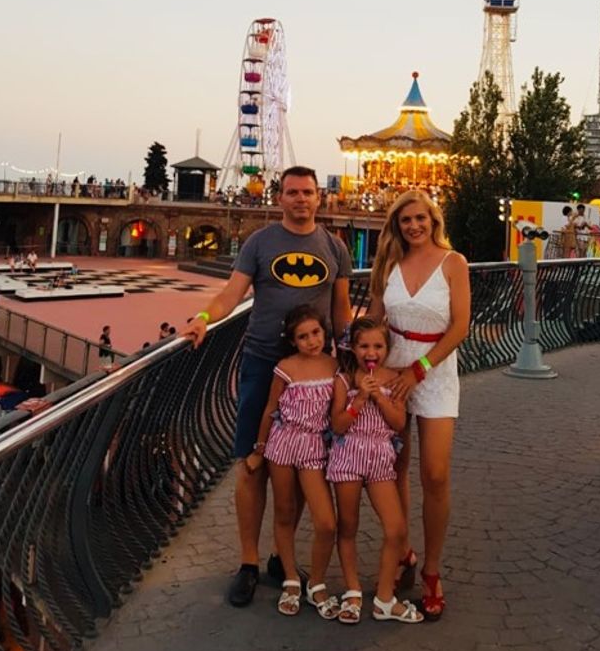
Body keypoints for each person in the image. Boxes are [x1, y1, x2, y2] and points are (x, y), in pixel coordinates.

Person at [181, 165, 352, 608]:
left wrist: (354, 359)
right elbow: (231, 294)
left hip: (313, 372)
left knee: (297, 467)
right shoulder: (260, 243)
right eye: (292, 192)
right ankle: (248, 561)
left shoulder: (334, 247)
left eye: (308, 192)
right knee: (252, 462)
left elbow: (341, 312)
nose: (300, 199)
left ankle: (283, 555)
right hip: (262, 363)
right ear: (280, 198)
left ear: (320, 198)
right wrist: (203, 319)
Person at [368, 190, 470, 621]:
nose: (413, 226)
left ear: (433, 221)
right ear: (397, 225)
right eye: (406, 220)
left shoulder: (454, 263)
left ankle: (432, 567)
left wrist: (420, 370)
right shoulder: (388, 265)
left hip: (434, 372)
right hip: (393, 371)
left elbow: (461, 326)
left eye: (420, 219)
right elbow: (375, 323)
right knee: (394, 468)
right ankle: (403, 549)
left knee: (435, 472)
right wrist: (369, 370)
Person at [328, 317, 422, 624]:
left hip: (381, 458)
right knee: (348, 526)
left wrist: (378, 395)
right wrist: (359, 399)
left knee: (395, 529)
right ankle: (352, 590)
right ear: (353, 349)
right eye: (364, 346)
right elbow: (338, 425)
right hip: (349, 455)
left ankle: (384, 597)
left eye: (378, 346)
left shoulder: (394, 378)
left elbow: (398, 423)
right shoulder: (344, 380)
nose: (371, 352)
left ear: (387, 348)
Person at [248, 305, 339, 619]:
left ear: (324, 332)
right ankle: (290, 580)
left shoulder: (335, 367)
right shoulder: (285, 368)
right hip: (283, 444)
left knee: (326, 521)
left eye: (315, 333)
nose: (311, 341)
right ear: (293, 341)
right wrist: (260, 448)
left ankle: (316, 581)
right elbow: (271, 409)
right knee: (285, 511)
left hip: (315, 445)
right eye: (303, 336)